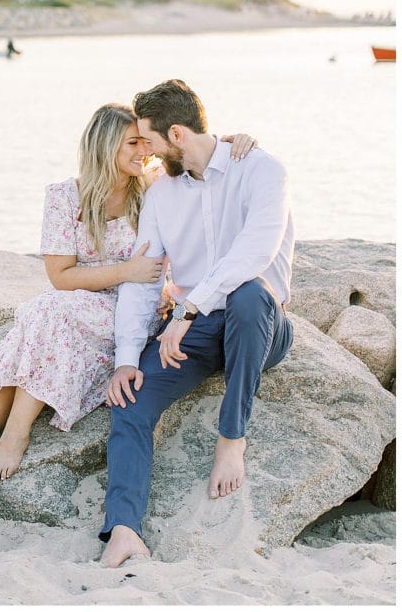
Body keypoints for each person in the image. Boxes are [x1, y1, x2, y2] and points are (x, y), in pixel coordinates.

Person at [0, 103, 257, 483]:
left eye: (145, 142)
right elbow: (60, 276)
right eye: (133, 143)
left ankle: (16, 432)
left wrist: (230, 141)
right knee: (22, 351)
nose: (144, 151)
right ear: (104, 146)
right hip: (72, 305)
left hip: (131, 312)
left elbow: (197, 155)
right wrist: (125, 270)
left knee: (43, 321)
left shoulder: (153, 186)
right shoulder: (65, 197)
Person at [99, 79, 294, 568]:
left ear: (178, 135)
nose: (145, 151)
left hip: (261, 325)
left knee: (249, 294)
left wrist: (187, 310)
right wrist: (125, 360)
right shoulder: (163, 194)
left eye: (150, 139)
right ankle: (124, 529)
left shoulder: (262, 170)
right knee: (132, 398)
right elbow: (145, 280)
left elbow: (255, 254)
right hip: (198, 334)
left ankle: (232, 439)